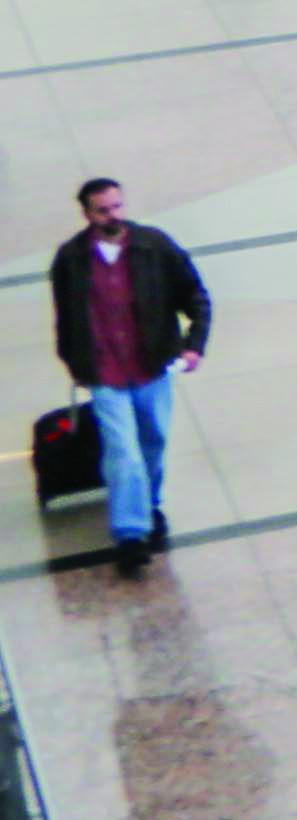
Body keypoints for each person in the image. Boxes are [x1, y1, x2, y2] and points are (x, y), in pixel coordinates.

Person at [49, 177, 211, 570]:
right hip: (105, 374)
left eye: (117, 206)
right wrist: (76, 363)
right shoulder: (71, 260)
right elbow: (66, 318)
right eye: (103, 210)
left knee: (152, 443)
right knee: (125, 453)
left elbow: (195, 295)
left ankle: (149, 504)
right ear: (87, 213)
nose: (114, 215)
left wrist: (194, 344)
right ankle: (130, 534)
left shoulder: (153, 246)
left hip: (152, 367)